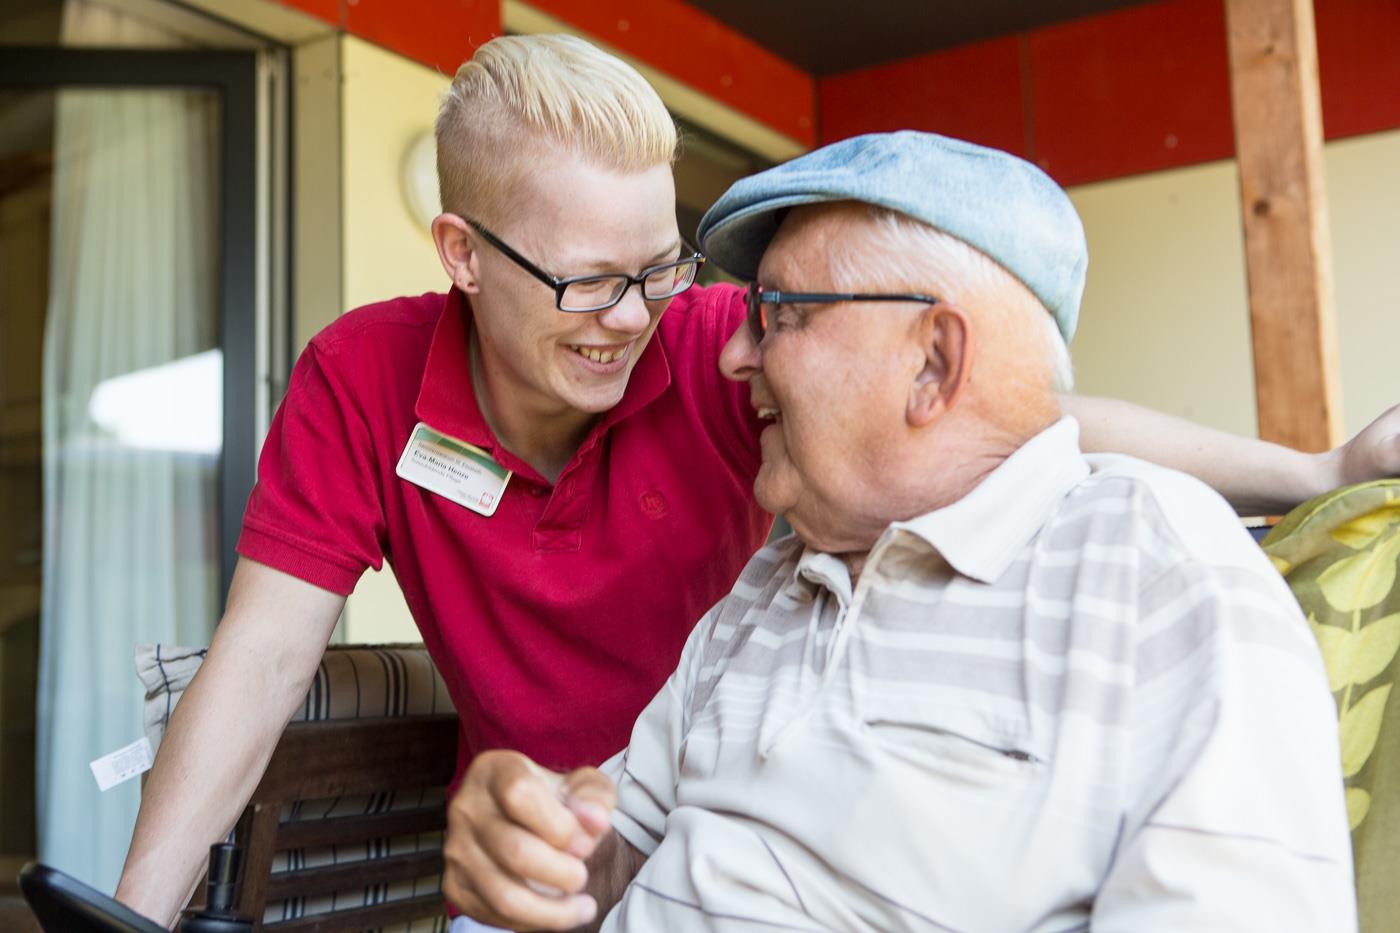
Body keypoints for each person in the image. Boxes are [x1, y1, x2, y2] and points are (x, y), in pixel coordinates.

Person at [115, 34, 1391, 926]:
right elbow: (268, 657)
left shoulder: (717, 351)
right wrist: (136, 918)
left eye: (659, 265)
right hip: (555, 858)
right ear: (462, 253)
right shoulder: (374, 383)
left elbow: (1031, 419)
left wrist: (1313, 470)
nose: (648, 319)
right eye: (586, 281)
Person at [443, 130, 1356, 932]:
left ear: (935, 361)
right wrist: (548, 851)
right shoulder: (768, 583)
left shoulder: (1151, 569)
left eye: (780, 315)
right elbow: (623, 858)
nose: (732, 355)